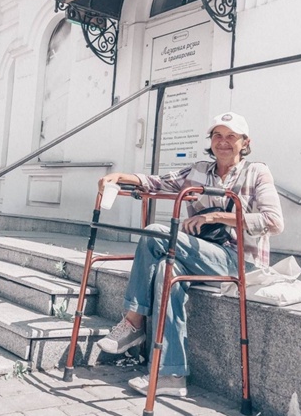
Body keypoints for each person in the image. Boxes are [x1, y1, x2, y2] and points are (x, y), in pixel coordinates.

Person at [96, 112, 284, 397]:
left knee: (157, 232)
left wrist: (218, 217)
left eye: (231, 136)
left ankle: (134, 322)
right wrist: (121, 176)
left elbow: (274, 222)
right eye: (217, 136)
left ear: (245, 142)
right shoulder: (198, 170)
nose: (223, 142)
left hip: (239, 260)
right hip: (199, 254)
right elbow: (157, 182)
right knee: (164, 272)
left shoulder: (257, 172)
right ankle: (171, 375)